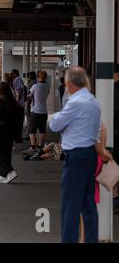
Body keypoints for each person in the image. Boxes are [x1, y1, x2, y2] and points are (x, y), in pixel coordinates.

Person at [49, 66, 112, 243]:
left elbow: (55, 125)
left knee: (70, 206)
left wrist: (58, 117)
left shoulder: (75, 103)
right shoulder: (93, 102)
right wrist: (103, 152)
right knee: (88, 204)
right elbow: (95, 133)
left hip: (76, 158)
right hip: (90, 156)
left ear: (68, 83)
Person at [0, 82, 19, 184]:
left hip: (3, 129)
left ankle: (10, 171)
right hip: (11, 129)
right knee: (6, 152)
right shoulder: (12, 100)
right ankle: (3, 175)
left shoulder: (1, 100)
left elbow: (2, 115)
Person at [27, 70, 50, 151]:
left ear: (38, 77)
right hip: (44, 111)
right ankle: (40, 146)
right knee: (42, 129)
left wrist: (29, 96)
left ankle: (33, 146)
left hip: (35, 111)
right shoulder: (47, 86)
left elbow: (29, 96)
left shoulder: (35, 86)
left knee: (31, 129)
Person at [11, 69, 25, 143]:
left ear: (15, 73)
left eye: (12, 73)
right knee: (18, 122)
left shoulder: (17, 79)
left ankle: (18, 138)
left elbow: (19, 91)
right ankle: (18, 137)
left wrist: (17, 102)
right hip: (19, 104)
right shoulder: (18, 79)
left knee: (18, 122)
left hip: (19, 104)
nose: (11, 74)